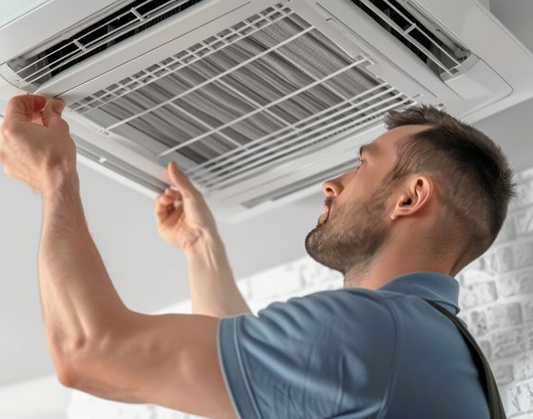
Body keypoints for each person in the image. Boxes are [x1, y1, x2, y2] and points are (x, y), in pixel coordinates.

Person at [0, 94, 514, 418]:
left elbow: (90, 353)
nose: (331, 184)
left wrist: (55, 180)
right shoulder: (425, 348)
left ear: (410, 197)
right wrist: (200, 247)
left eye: (362, 165)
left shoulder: (371, 332)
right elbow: (255, 382)